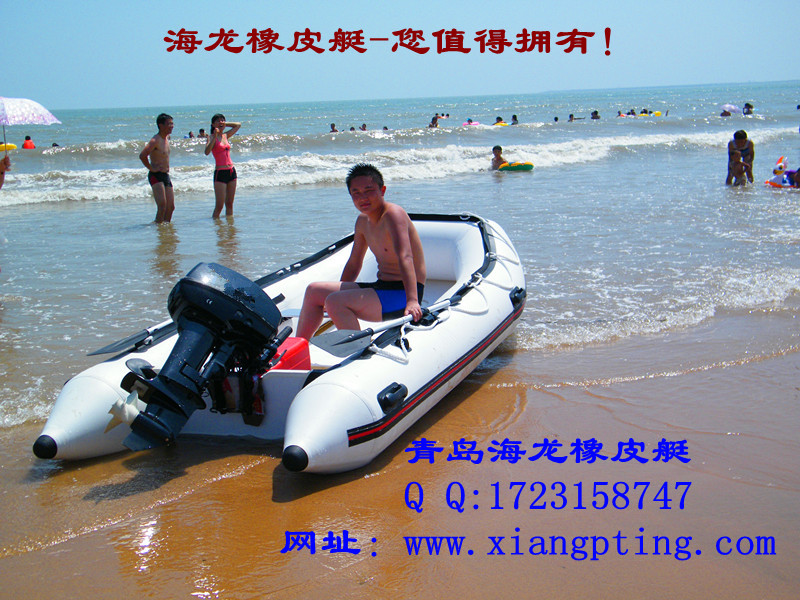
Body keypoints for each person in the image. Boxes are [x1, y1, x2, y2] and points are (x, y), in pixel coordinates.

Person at [296, 163, 426, 340]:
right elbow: (354, 263)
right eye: (356, 193)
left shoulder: (393, 214)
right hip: (382, 287)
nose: (362, 197)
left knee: (335, 301)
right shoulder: (363, 221)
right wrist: (340, 291)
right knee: (314, 291)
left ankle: (360, 349)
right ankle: (298, 347)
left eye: (368, 190)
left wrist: (412, 300)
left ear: (382, 190)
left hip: (403, 293)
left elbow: (406, 256)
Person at [139, 113, 175, 223]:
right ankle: (158, 227)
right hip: (156, 175)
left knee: (171, 207)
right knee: (162, 205)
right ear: (160, 125)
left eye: (172, 124)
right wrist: (151, 168)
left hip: (165, 175)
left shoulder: (166, 138)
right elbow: (142, 155)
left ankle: (165, 229)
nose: (172, 126)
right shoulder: (155, 140)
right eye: (169, 124)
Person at [204, 113, 241, 219]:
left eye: (222, 120)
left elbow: (238, 125)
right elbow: (207, 152)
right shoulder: (211, 137)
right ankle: (216, 226)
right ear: (212, 124)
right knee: (219, 206)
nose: (221, 122)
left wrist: (224, 124)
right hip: (220, 173)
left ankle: (230, 227)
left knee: (229, 204)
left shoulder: (225, 136)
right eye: (218, 121)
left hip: (231, 171)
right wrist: (215, 135)